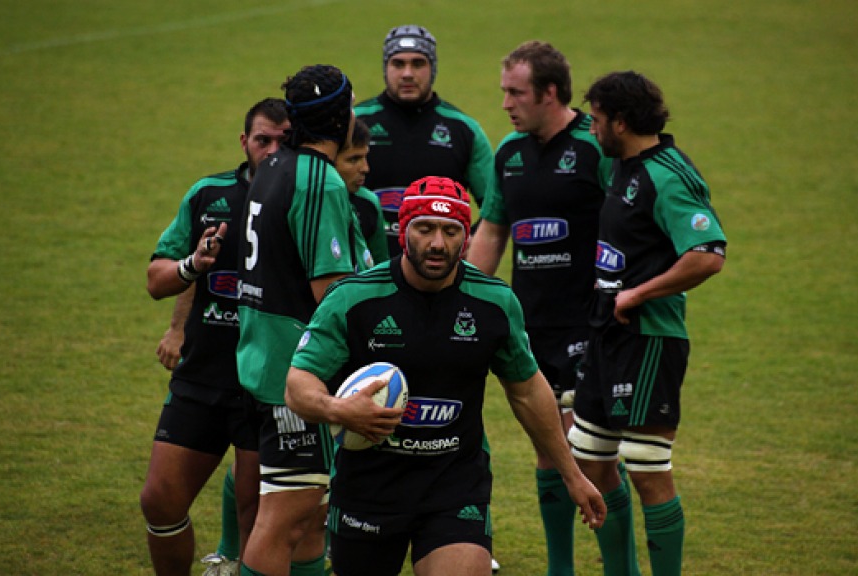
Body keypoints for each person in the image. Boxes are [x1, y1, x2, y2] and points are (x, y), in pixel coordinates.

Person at [283, 176, 607, 576]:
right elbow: (298, 384)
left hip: (454, 485)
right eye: (425, 228)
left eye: (451, 231)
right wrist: (339, 410)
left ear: (465, 237)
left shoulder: (493, 303)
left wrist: (572, 475)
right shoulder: (354, 298)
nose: (438, 243)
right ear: (404, 231)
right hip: (369, 487)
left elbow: (526, 391)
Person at [466, 41, 640, 576]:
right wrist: (463, 294)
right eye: (504, 92)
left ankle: (623, 570)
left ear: (549, 93)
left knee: (590, 455)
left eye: (516, 93)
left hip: (591, 325)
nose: (505, 104)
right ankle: (559, 568)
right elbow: (492, 231)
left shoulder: (595, 147)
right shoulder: (509, 154)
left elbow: (630, 224)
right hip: (532, 326)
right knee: (548, 449)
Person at [567, 71, 727, 576]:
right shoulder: (623, 167)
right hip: (606, 335)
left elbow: (707, 254)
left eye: (596, 120)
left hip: (650, 337)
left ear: (620, 121)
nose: (591, 129)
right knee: (589, 457)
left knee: (646, 467)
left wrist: (639, 293)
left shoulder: (668, 174)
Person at [141, 97, 290, 576]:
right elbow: (156, 280)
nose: (272, 151)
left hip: (264, 388)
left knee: (255, 520)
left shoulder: (307, 200)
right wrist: (193, 265)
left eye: (283, 141)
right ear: (244, 141)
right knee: (159, 500)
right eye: (262, 140)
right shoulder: (209, 194)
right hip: (202, 376)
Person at [235, 64, 368, 576]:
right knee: (284, 522)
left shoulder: (272, 165)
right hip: (294, 371)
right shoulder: (320, 183)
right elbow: (330, 293)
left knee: (311, 520)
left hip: (261, 354)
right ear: (340, 118)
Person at [354, 24, 496, 258]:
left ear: (433, 68)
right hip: (369, 271)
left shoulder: (463, 130)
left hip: (436, 269)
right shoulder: (356, 123)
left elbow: (496, 208)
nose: (407, 74)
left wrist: (466, 241)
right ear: (385, 68)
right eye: (398, 64)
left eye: (418, 64)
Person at [337, 118, 390, 264]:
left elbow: (380, 268)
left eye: (365, 157)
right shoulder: (304, 199)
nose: (365, 168)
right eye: (353, 159)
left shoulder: (369, 202)